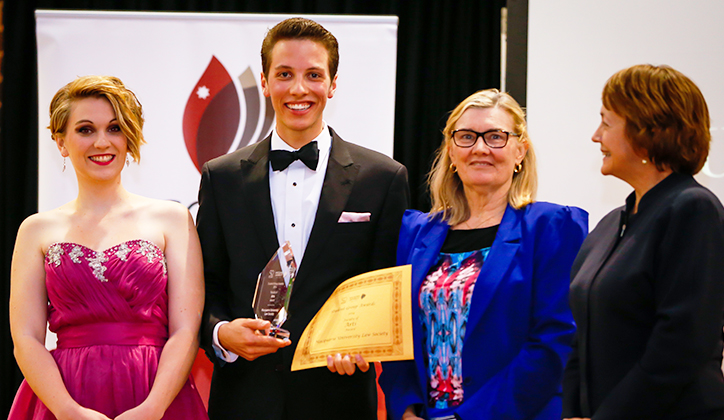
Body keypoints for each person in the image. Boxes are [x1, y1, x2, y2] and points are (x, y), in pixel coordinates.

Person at [196, 17, 410, 420]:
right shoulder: (221, 177)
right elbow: (206, 282)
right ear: (264, 82)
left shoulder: (383, 178)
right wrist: (220, 333)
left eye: (313, 75)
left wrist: (364, 345)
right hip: (244, 399)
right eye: (284, 74)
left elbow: (387, 285)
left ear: (332, 84)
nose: (298, 89)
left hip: (339, 399)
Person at [7, 75, 208, 420]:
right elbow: (25, 338)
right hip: (65, 395)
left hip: (156, 393)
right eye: (86, 129)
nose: (103, 142)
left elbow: (186, 331)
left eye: (115, 128)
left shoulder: (172, 219)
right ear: (61, 142)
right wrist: (68, 411)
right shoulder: (36, 230)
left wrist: (153, 408)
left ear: (129, 138)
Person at [380, 89, 588, 420]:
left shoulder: (553, 226)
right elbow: (396, 335)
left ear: (521, 149)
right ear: (450, 150)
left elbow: (554, 340)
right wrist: (406, 408)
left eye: (495, 137)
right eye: (466, 137)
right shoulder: (414, 231)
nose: (480, 148)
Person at [562, 64, 724, 420]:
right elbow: (580, 338)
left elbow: (682, 343)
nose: (595, 136)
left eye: (606, 122)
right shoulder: (608, 226)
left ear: (647, 129)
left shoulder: (693, 209)